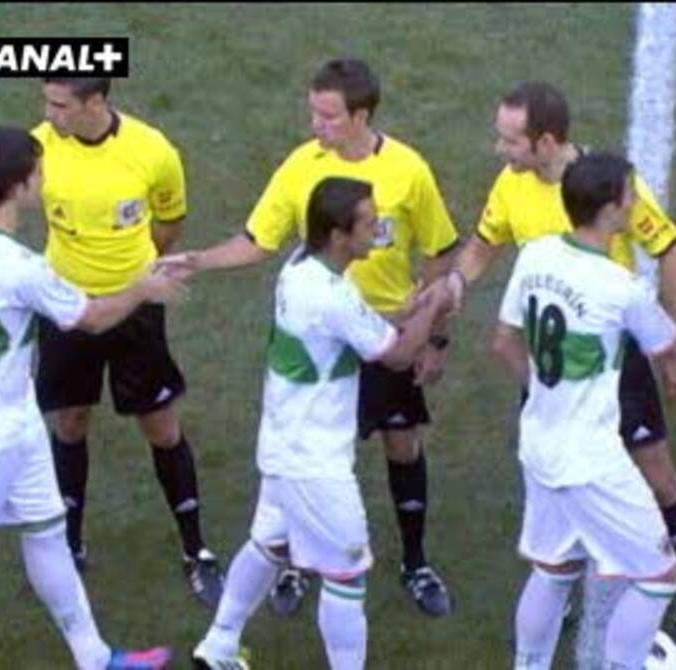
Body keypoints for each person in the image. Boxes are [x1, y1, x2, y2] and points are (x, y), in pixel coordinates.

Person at [160, 58, 459, 618]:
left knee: (401, 443)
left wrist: (434, 339)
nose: (315, 124)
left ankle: (415, 561)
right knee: (314, 451)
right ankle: (298, 565)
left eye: (328, 115)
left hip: (386, 333)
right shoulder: (301, 167)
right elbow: (258, 240)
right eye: (313, 112)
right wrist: (198, 260)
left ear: (361, 116)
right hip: (326, 342)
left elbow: (440, 253)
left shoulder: (408, 171)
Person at [0, 126, 180, 670]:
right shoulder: (22, 269)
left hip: (15, 423)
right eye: (38, 171)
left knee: (47, 531)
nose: (44, 178)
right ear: (20, 186)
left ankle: (94, 657)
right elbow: (94, 318)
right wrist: (142, 288)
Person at [450, 81, 676, 661]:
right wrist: (452, 284)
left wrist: (671, 342)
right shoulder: (515, 186)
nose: (500, 150)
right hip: (568, 379)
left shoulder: (599, 191)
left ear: (545, 142)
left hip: (608, 364)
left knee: (658, 477)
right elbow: (482, 247)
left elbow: (670, 249)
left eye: (510, 140)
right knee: (602, 555)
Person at [191, 177, 455, 670]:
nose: (379, 231)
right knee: (346, 575)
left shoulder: (300, 268)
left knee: (269, 545)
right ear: (338, 236)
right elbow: (398, 355)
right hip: (313, 464)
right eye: (369, 224)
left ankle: (219, 645)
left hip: (283, 446)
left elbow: (359, 325)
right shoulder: (330, 295)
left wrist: (408, 311)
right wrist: (436, 305)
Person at [493, 152, 676, 670]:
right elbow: (670, 345)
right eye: (629, 195)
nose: (634, 203)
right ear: (608, 209)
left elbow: (503, 342)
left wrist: (545, 393)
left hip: (538, 442)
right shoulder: (618, 287)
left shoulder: (535, 255)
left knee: (553, 568)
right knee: (659, 576)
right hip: (590, 458)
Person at [32, 77, 224, 606]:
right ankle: (69, 545)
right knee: (70, 421)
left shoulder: (152, 150)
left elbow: (170, 221)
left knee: (160, 425)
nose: (48, 115)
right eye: (46, 102)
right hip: (66, 306)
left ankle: (196, 549)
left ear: (95, 101)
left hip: (136, 308)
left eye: (59, 104)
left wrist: (134, 276)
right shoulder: (39, 147)